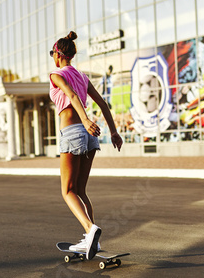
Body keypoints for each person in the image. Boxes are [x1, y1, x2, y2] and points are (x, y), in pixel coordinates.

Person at [49, 31, 123, 260]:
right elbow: (102, 103)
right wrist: (114, 131)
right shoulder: (82, 76)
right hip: (90, 137)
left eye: (52, 53)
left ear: (58, 54)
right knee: (81, 190)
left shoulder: (56, 74)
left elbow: (71, 96)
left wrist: (84, 120)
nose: (52, 57)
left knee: (68, 191)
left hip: (73, 133)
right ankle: (93, 240)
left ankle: (91, 230)